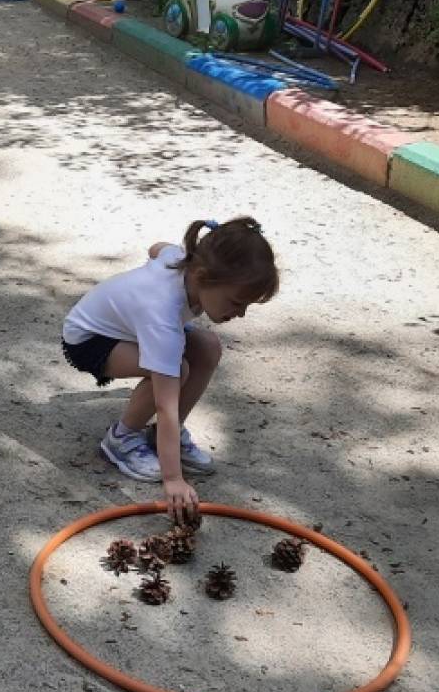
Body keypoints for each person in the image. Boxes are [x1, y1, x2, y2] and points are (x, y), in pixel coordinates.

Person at [60, 218, 279, 520]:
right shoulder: (162, 314)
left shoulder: (185, 260)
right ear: (202, 276)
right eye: (236, 302)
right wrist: (173, 479)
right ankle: (121, 439)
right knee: (176, 369)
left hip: (129, 330)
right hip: (89, 339)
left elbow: (156, 249)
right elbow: (165, 405)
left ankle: (162, 440)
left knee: (208, 347)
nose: (239, 314)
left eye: (246, 307)